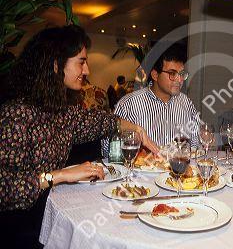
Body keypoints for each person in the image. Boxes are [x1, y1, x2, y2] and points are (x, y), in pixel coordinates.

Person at [0, 25, 157, 248]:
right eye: (81, 62)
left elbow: (101, 122)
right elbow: (4, 189)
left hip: (49, 211)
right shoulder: (16, 115)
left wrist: (136, 129)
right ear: (55, 65)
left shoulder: (61, 111)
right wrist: (58, 175)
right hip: (20, 230)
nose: (87, 71)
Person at [104, 43, 200, 150]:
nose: (180, 80)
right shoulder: (129, 104)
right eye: (172, 74)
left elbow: (196, 145)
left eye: (182, 74)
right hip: (141, 165)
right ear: (155, 75)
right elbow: (108, 149)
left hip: (177, 165)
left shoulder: (186, 103)